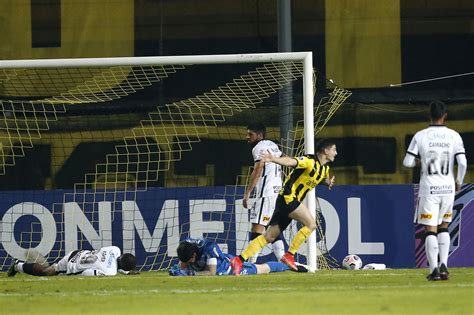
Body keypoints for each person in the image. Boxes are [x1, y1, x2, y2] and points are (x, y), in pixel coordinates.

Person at [231, 139, 337, 275]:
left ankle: (239, 260)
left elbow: (319, 178)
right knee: (311, 224)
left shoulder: (325, 170)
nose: (336, 153)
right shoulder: (310, 161)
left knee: (268, 237)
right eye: (334, 149)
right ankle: (289, 255)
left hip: (286, 201)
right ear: (326, 151)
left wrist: (327, 182)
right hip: (288, 197)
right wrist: (273, 159)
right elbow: (292, 161)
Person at [403, 101, 466, 281]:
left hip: (429, 188)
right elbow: (462, 163)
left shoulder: (421, 136)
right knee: (444, 226)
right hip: (447, 187)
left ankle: (434, 270)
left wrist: (420, 162)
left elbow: (407, 162)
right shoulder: (454, 136)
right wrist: (459, 182)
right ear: (445, 115)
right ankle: (445, 265)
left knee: (430, 229)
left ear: (428, 115)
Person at [243, 123, 285, 263]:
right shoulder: (272, 145)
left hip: (265, 193)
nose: (247, 137)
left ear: (259, 135)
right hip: (277, 191)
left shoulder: (258, 148)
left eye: (250, 134)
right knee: (271, 227)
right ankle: (283, 260)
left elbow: (258, 169)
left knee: (257, 227)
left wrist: (247, 192)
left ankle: (251, 263)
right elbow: (284, 158)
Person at [169, 238, 310, 276]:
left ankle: (289, 265)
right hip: (214, 264)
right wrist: (180, 271)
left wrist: (191, 274)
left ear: (194, 254)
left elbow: (211, 272)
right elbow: (183, 265)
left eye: (189, 261)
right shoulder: (186, 248)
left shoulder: (209, 249)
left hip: (226, 268)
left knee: (262, 269)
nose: (187, 263)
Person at [7, 246, 137, 277]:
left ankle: (19, 265)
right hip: (72, 264)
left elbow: (110, 261)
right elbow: (87, 273)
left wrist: (124, 272)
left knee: (51, 268)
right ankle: (17, 265)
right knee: (47, 272)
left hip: (78, 253)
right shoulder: (109, 272)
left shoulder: (115, 250)